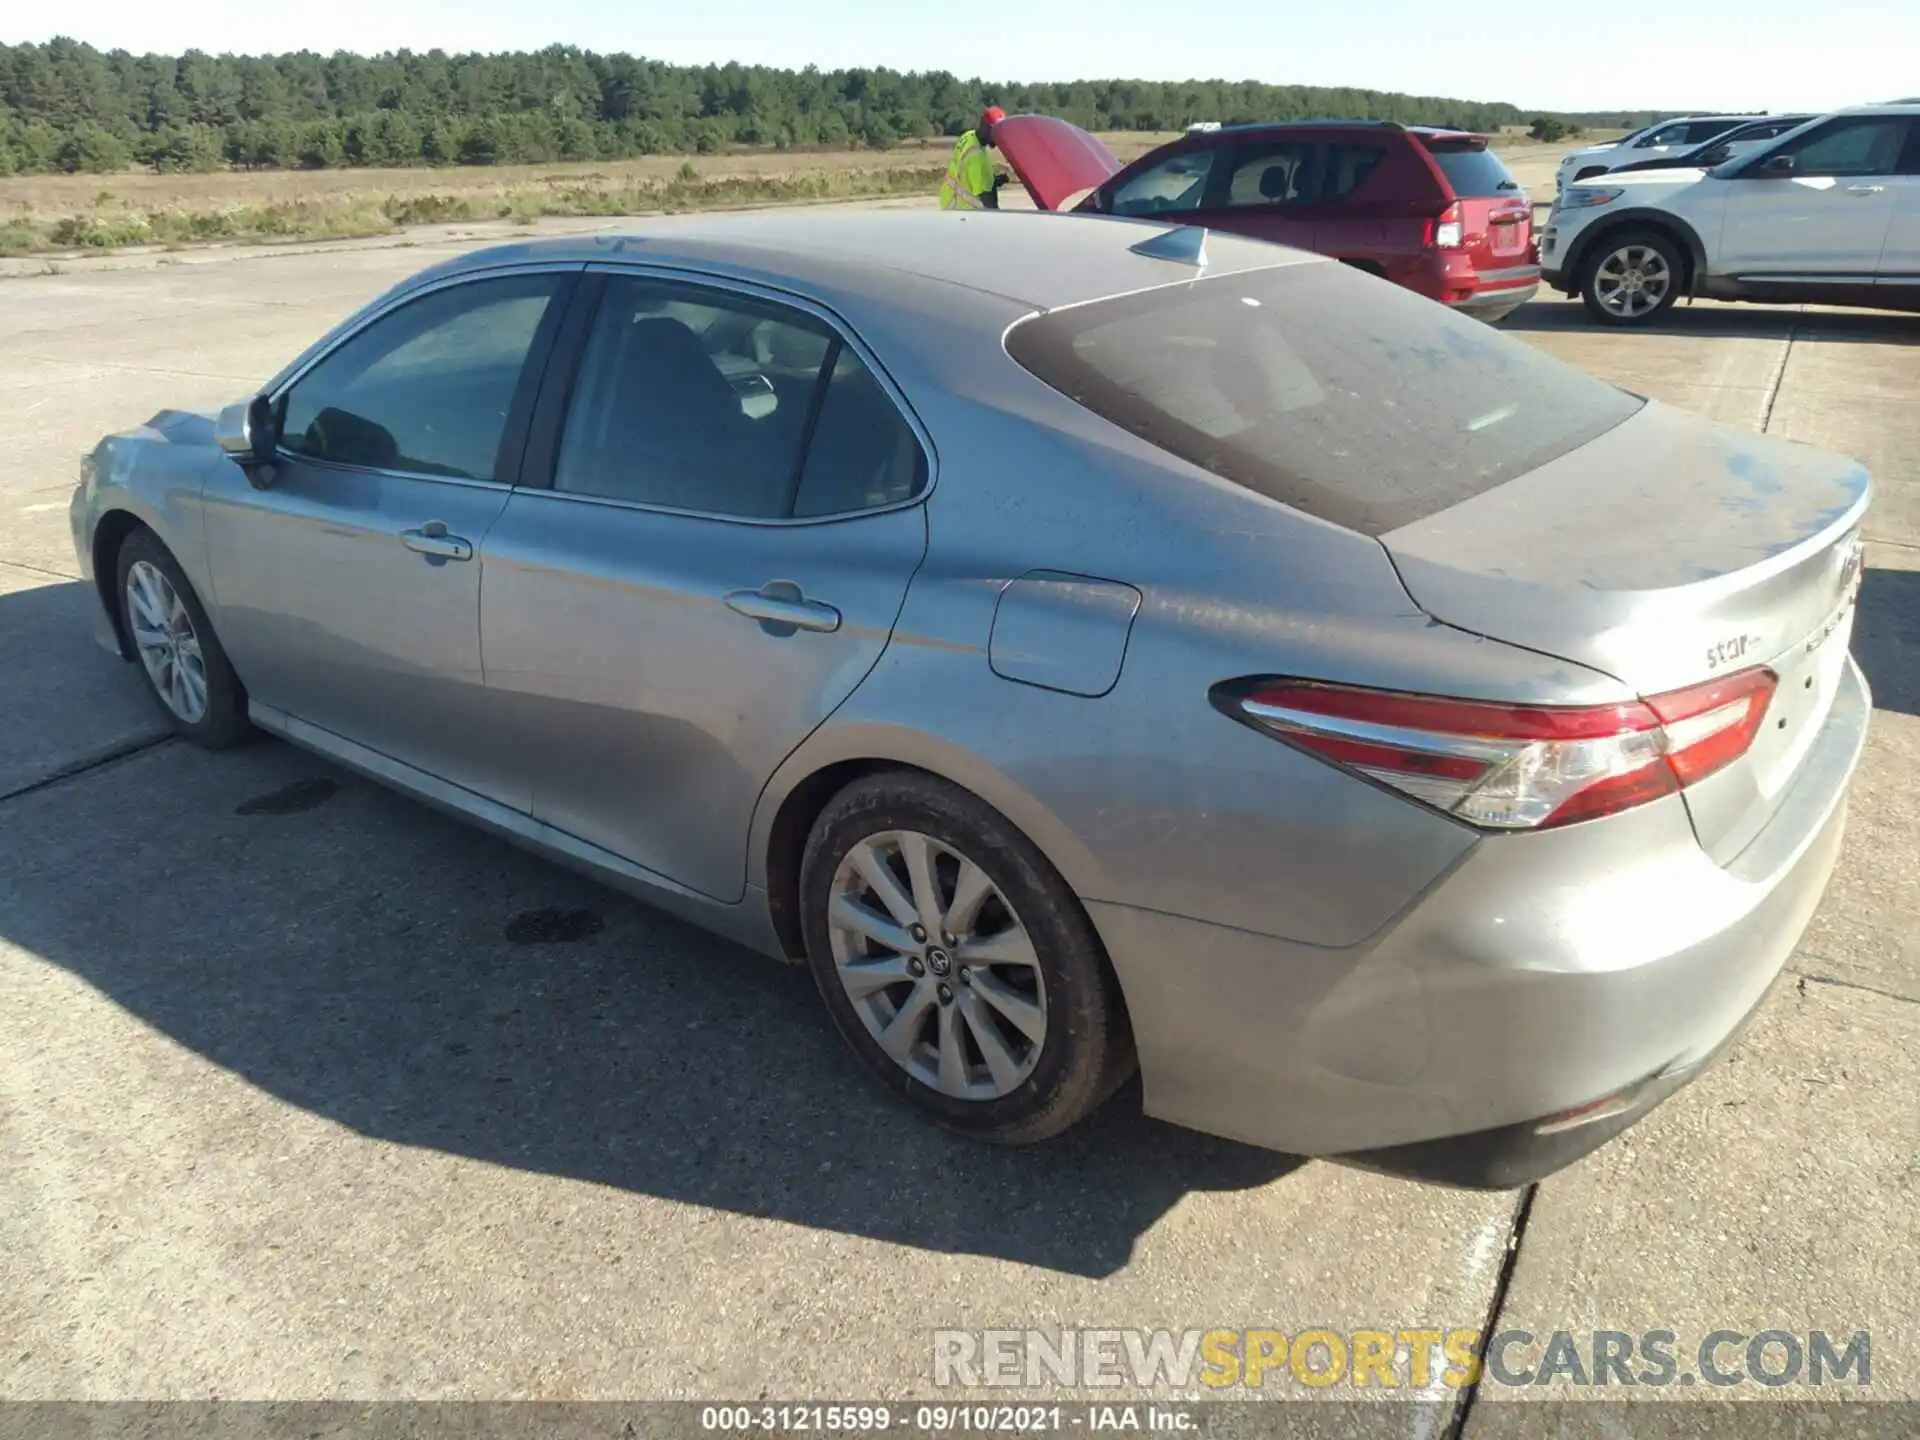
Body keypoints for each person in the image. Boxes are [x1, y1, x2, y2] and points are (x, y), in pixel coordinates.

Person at [939, 106, 1007, 211]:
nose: (999, 137)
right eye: (996, 132)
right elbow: (986, 199)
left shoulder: (969, 136)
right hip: (962, 210)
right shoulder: (975, 158)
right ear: (985, 127)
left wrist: (994, 181)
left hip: (951, 202)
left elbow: (964, 176)